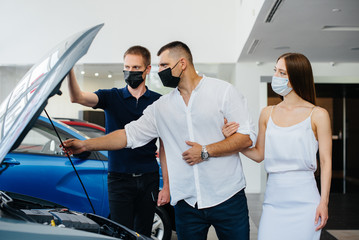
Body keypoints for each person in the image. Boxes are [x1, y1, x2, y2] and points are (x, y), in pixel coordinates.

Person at [62, 41, 256, 240]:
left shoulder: (223, 92)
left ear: (182, 63)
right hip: (187, 204)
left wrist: (206, 150)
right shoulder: (162, 106)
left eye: (164, 65)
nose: (160, 71)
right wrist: (85, 144)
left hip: (227, 197)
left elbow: (247, 138)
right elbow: (128, 135)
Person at [223, 53, 332, 240]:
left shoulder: (318, 115)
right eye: (275, 71)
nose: (276, 77)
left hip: (306, 200)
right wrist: (233, 141)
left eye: (282, 73)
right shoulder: (267, 113)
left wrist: (324, 202)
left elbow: (326, 161)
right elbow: (259, 154)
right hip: (274, 199)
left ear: (296, 78)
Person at [67, 45, 170, 237]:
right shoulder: (111, 97)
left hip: (148, 177)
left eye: (136, 68)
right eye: (127, 67)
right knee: (119, 233)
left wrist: (167, 186)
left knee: (144, 233)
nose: (130, 72)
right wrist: (69, 69)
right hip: (119, 179)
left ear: (147, 69)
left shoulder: (158, 102)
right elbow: (77, 97)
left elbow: (164, 147)